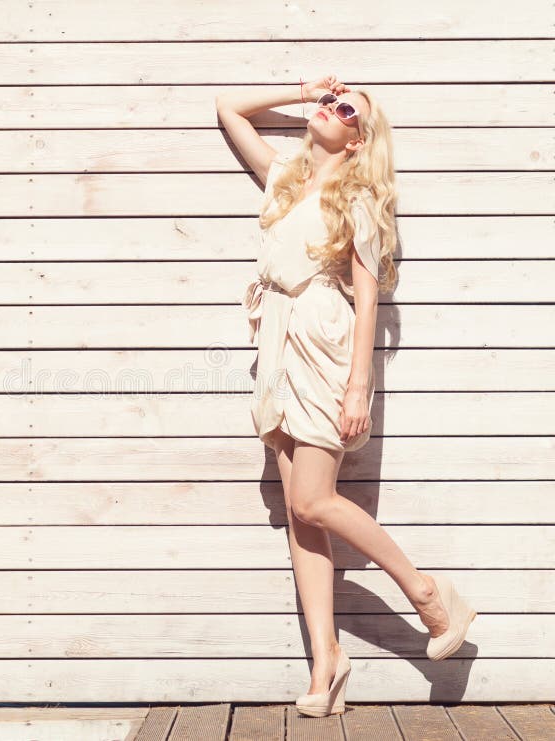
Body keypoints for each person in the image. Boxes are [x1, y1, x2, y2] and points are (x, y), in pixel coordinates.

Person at [215, 75, 477, 717]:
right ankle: (327, 660)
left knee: (312, 498)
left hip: (325, 345)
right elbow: (228, 108)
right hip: (276, 346)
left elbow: (367, 301)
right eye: (328, 103)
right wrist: (300, 88)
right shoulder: (285, 176)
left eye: (344, 109)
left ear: (360, 140)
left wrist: (359, 383)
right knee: (301, 518)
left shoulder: (357, 199)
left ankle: (427, 592)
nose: (328, 111)